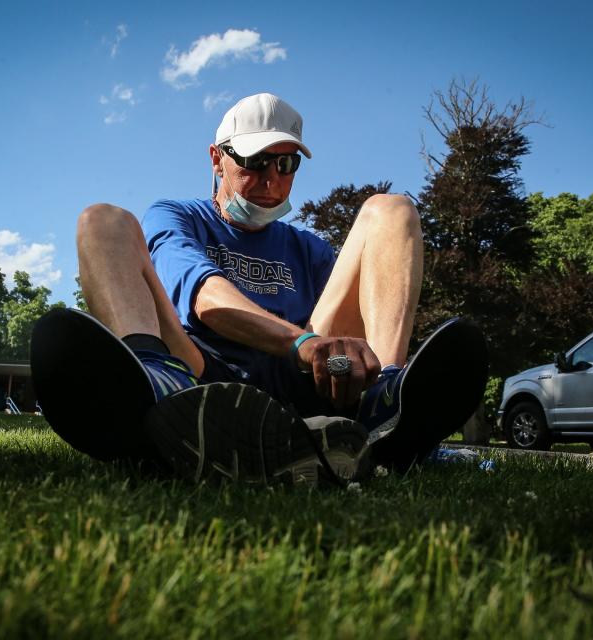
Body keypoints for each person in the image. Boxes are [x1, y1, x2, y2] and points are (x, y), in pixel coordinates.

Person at [31, 93, 488, 484]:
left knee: (391, 209)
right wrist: (303, 343)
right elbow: (204, 300)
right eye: (254, 162)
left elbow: (343, 333)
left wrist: (347, 361)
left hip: (301, 384)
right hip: (200, 379)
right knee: (102, 220)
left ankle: (385, 398)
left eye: (286, 163)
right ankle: (150, 389)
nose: (271, 180)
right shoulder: (179, 216)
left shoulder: (307, 247)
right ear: (216, 158)